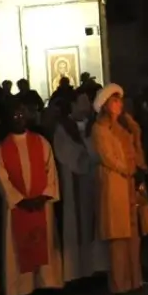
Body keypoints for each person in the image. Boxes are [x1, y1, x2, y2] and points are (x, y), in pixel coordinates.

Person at [0, 109, 62, 295]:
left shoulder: (41, 142)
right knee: (18, 247)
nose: (19, 119)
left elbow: (51, 170)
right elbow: (2, 179)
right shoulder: (1, 149)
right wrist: (21, 200)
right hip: (18, 208)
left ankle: (47, 282)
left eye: (21, 115)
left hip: (41, 204)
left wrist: (44, 196)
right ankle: (21, 288)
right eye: (14, 116)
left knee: (44, 242)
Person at [91, 84, 148, 293]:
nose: (119, 105)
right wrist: (129, 169)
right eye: (114, 101)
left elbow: (134, 149)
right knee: (118, 235)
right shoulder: (99, 129)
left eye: (120, 101)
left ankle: (135, 279)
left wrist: (138, 168)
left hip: (130, 184)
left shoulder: (125, 126)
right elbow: (107, 156)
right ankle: (120, 283)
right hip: (115, 184)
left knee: (133, 233)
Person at [49, 93, 108, 283]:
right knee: (77, 224)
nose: (87, 104)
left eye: (88, 101)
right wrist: (87, 155)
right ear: (73, 105)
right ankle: (78, 271)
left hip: (95, 181)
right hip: (74, 182)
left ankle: (99, 266)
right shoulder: (63, 129)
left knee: (96, 223)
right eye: (83, 101)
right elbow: (66, 153)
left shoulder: (95, 125)